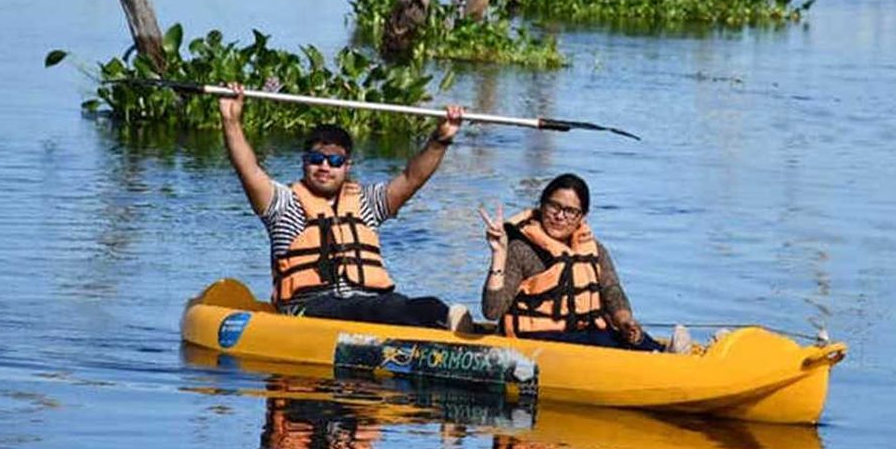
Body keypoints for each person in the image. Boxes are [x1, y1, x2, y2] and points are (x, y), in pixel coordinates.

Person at [219, 83, 470, 330]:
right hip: (310, 309)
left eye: (335, 161)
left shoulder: (366, 203)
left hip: (373, 304)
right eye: (316, 159)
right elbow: (248, 170)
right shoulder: (283, 205)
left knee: (423, 306)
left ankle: (456, 329)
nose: (325, 167)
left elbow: (411, 178)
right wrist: (231, 120)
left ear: (347, 166)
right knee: (383, 309)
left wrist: (440, 139)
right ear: (304, 163)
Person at [478, 173, 690, 352]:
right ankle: (661, 359)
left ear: (582, 216)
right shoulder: (520, 249)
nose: (560, 216)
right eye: (554, 206)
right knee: (600, 340)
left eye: (570, 211)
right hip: (532, 340)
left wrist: (625, 321)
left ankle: (666, 355)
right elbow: (492, 311)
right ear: (541, 205)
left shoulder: (593, 249)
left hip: (583, 336)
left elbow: (612, 292)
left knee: (624, 337)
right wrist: (499, 253)